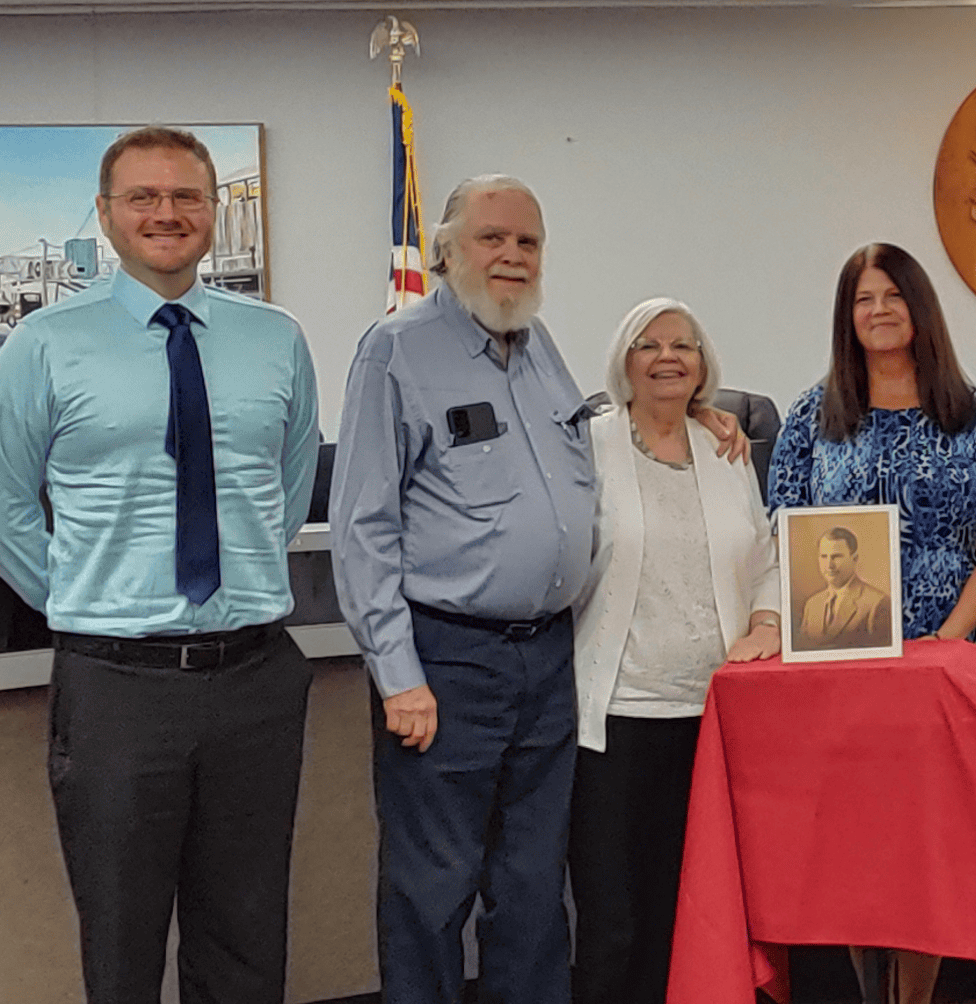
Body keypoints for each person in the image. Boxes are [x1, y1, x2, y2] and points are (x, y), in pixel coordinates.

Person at [332, 174, 740, 1004]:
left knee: (531, 894)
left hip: (551, 663)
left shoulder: (539, 345)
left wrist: (696, 413)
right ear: (448, 249)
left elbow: (606, 437)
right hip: (446, 662)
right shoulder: (396, 351)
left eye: (528, 241)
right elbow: (362, 524)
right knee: (433, 888)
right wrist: (397, 674)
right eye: (493, 238)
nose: (512, 255)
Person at [0, 126, 321, 1003]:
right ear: (106, 213)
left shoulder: (274, 340)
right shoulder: (45, 344)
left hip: (255, 678)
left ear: (210, 211)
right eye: (144, 197)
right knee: (122, 945)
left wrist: (236, 584)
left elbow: (286, 485)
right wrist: (88, 602)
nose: (168, 213)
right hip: (117, 690)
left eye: (186, 196)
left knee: (247, 939)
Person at [766, 241, 976, 1004]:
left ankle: (917, 998)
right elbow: (780, 527)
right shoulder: (815, 411)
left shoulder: (975, 413)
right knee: (858, 846)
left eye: (892, 297)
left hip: (950, 662)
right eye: (862, 300)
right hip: (845, 662)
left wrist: (946, 641)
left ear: (919, 308)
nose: (877, 312)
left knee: (929, 849)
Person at [569, 297, 781, 1004]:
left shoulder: (727, 450)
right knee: (614, 920)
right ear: (623, 364)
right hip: (615, 720)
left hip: (711, 720)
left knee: (689, 913)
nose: (668, 357)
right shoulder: (587, 444)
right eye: (649, 344)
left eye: (683, 345)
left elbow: (766, 555)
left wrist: (768, 623)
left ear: (703, 365)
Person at [800, 526, 893, 649]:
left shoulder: (877, 603)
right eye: (823, 556)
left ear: (854, 559)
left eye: (836, 556)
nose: (829, 565)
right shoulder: (812, 604)